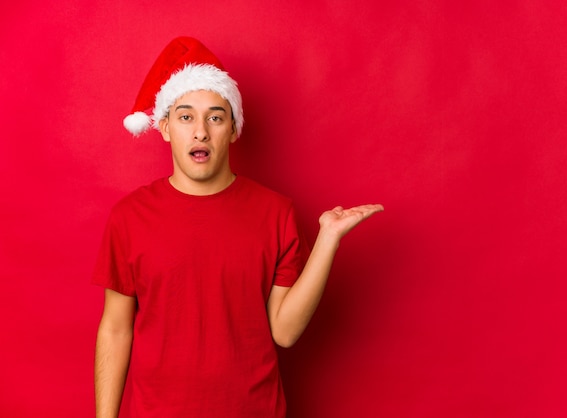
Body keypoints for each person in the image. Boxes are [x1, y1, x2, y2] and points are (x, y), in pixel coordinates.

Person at [93, 36, 383, 418]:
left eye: (215, 117)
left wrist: (327, 240)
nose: (201, 132)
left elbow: (284, 331)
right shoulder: (129, 217)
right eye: (185, 117)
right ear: (164, 128)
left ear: (233, 129)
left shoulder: (276, 212)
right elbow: (115, 329)